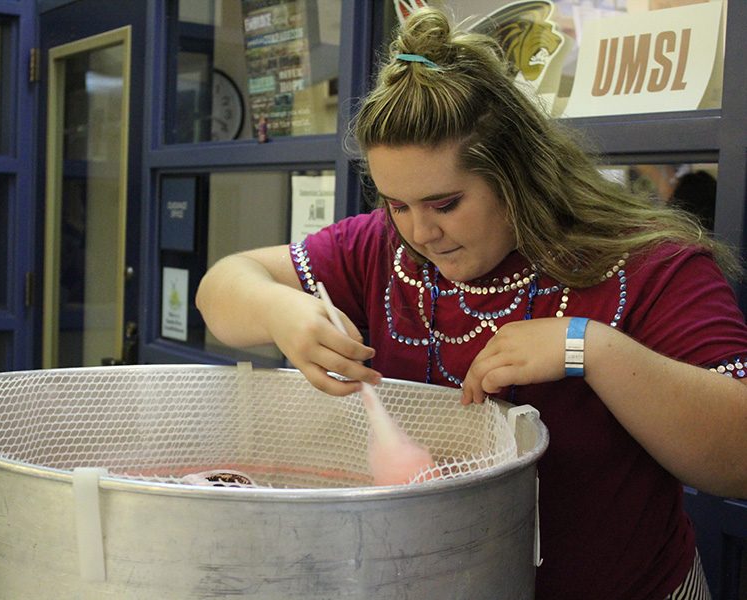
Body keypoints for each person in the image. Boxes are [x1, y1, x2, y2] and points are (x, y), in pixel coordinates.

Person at [196, 8, 747, 599]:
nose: (419, 233)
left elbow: (735, 457)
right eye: (397, 205)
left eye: (445, 203)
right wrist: (282, 312)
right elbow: (223, 288)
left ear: (518, 175)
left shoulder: (647, 265)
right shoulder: (379, 251)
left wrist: (592, 348)